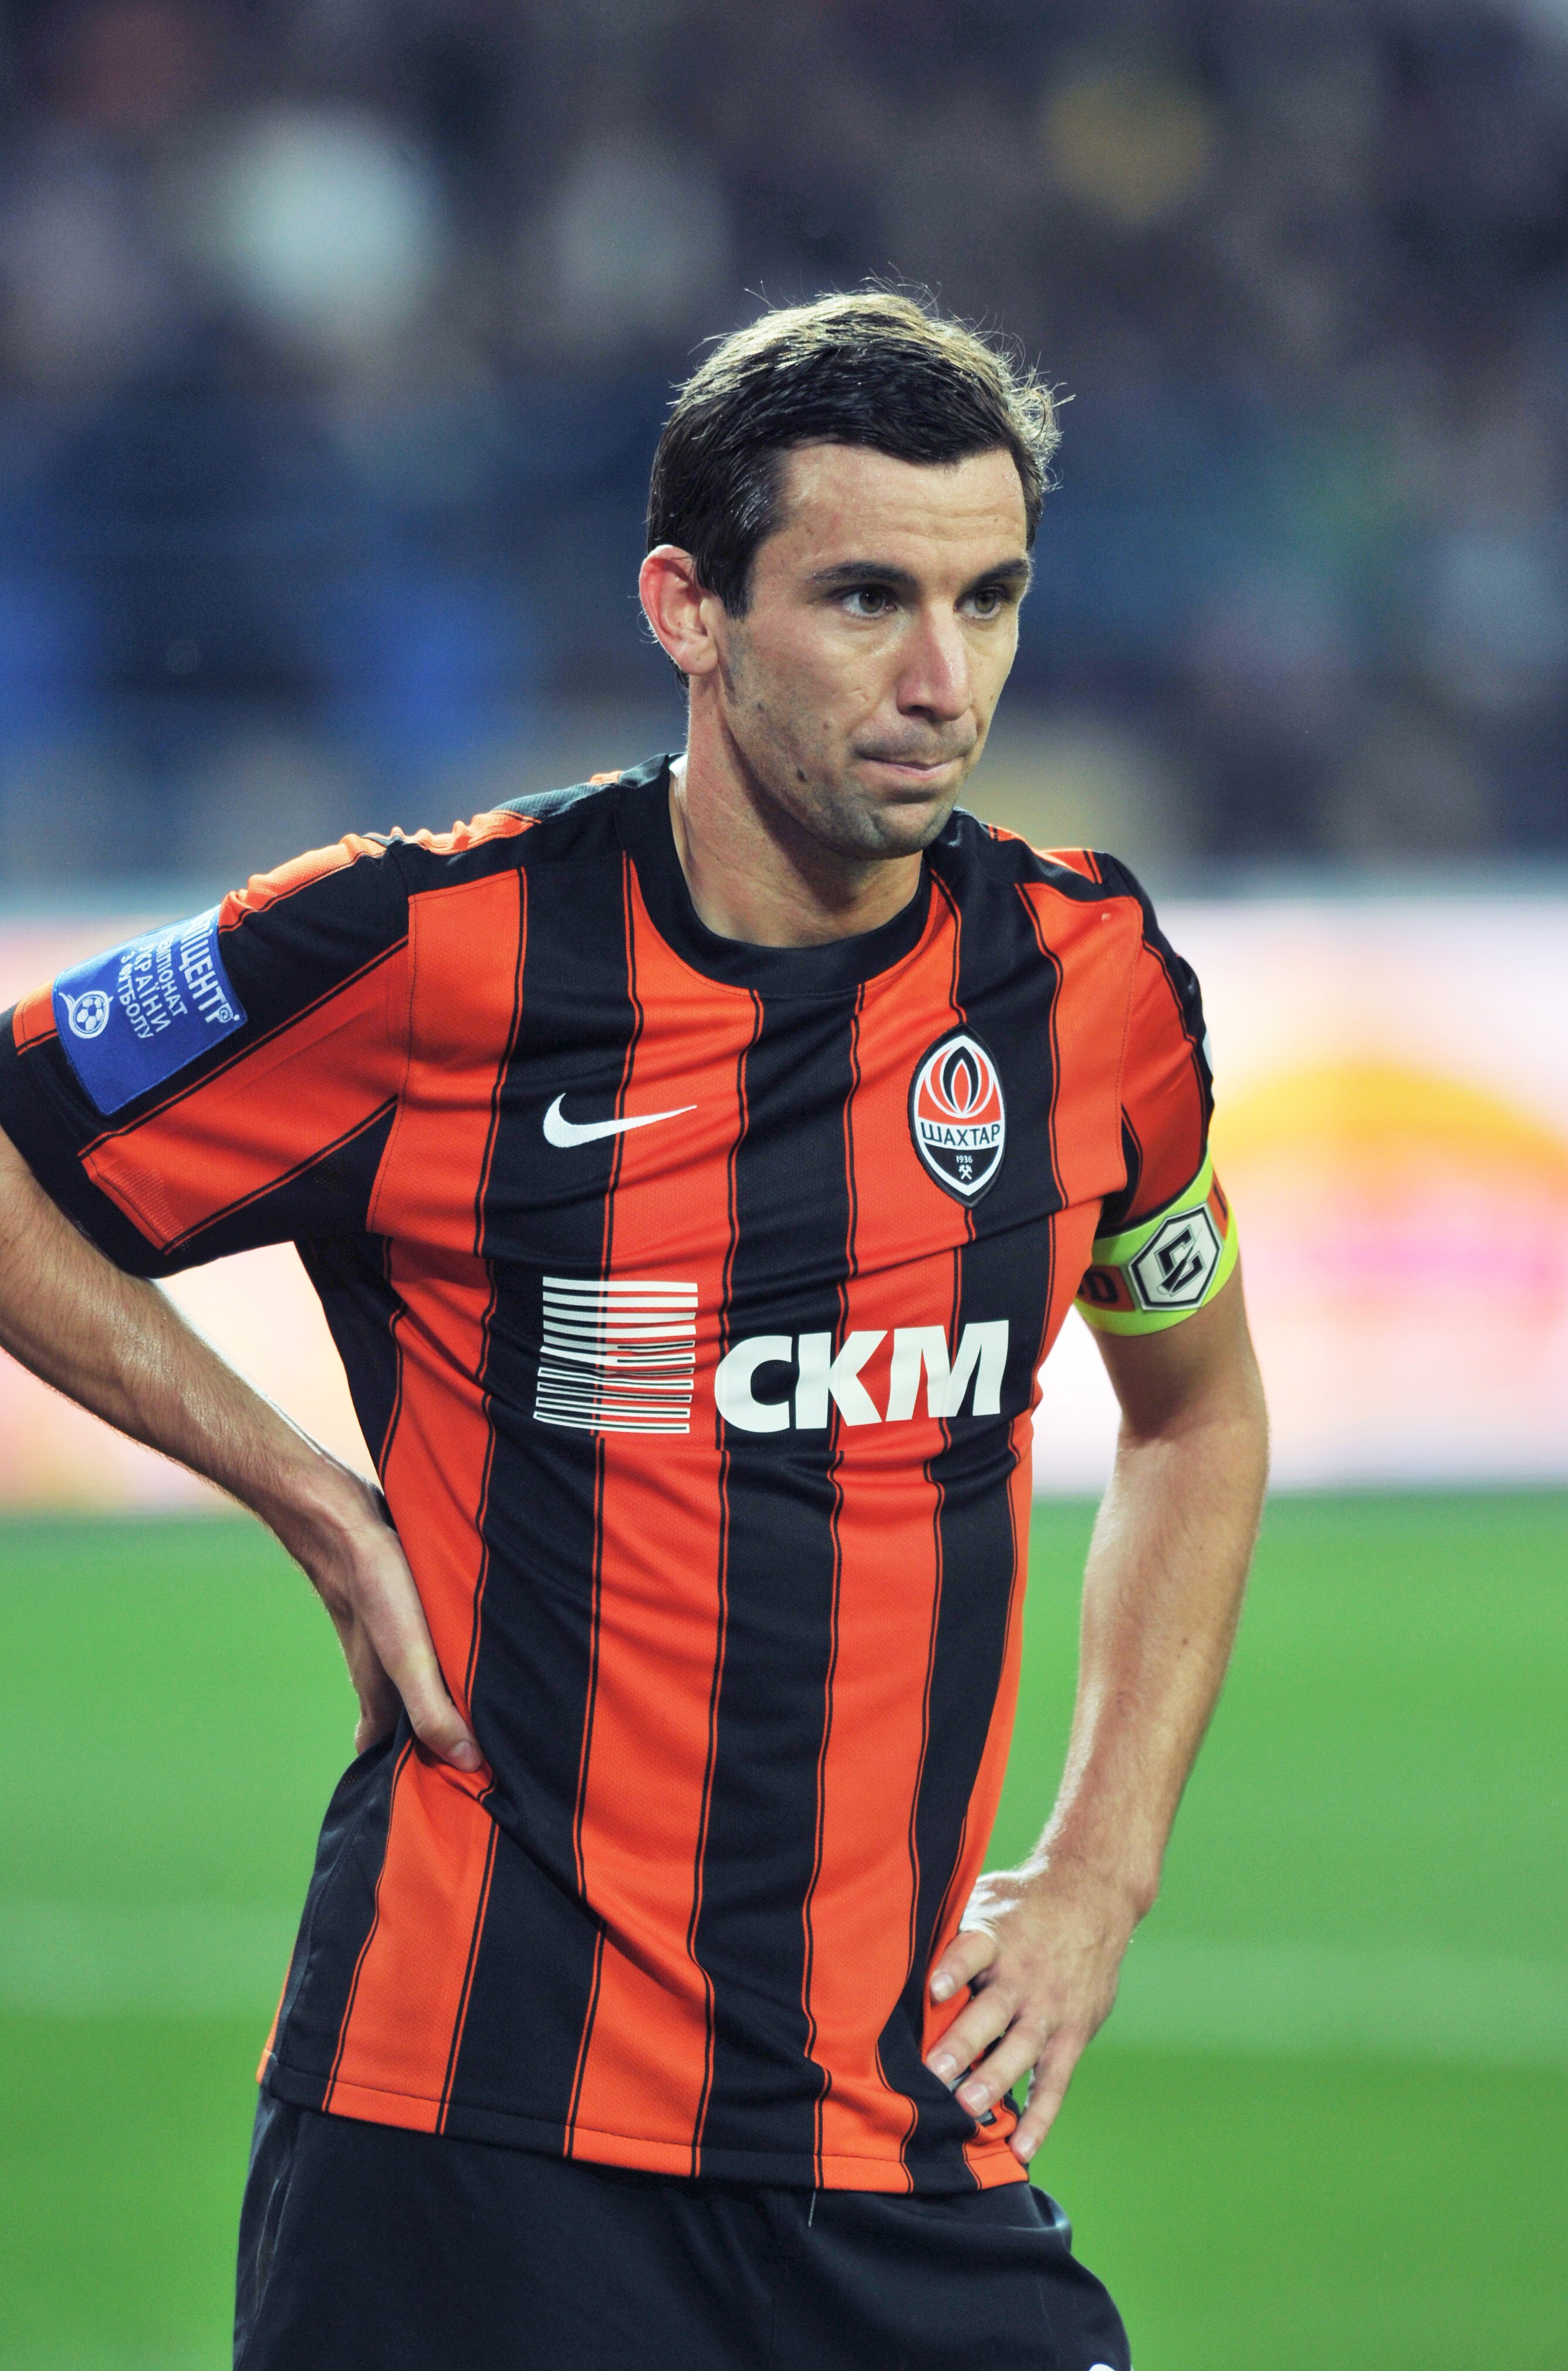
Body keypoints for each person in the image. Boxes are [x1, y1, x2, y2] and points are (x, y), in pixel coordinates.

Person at [0, 291, 1268, 2370]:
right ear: (688, 606)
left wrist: (1099, 1865)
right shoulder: (432, 952)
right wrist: (305, 1489)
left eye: (990, 598)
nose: (943, 683)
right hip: (470, 2132)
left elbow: (1198, 1412)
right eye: (866, 598)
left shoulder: (1091, 984)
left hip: (898, 2137)